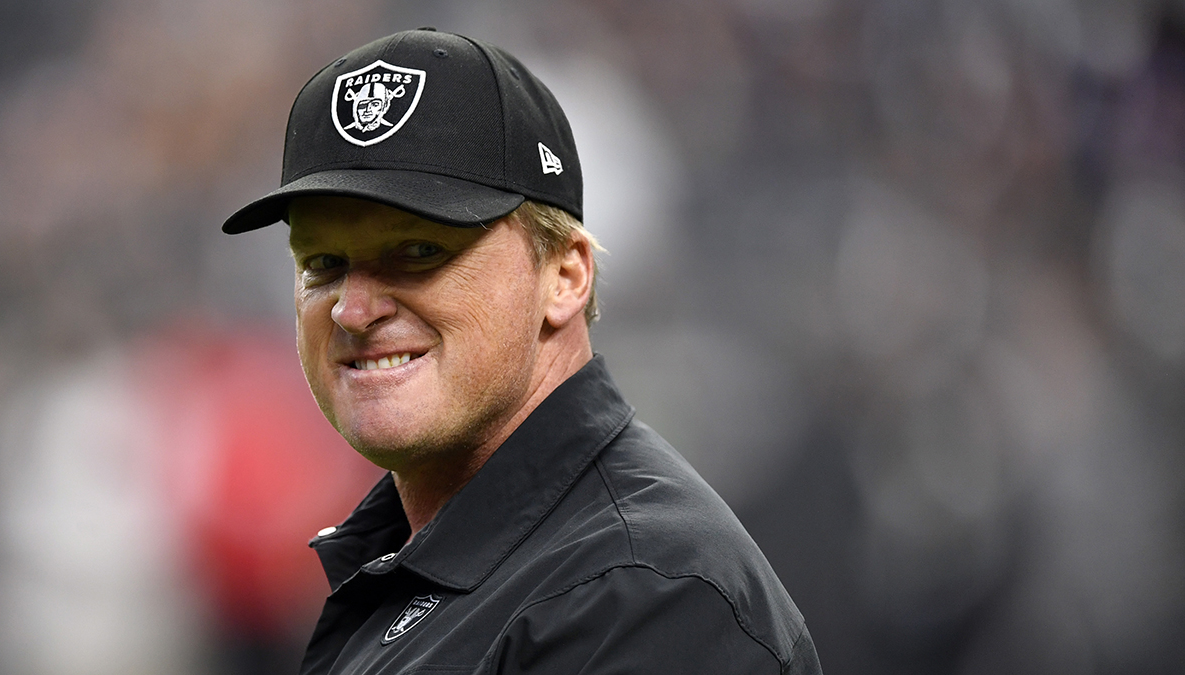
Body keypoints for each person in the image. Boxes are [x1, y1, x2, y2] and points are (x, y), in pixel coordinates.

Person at [222, 27, 822, 675]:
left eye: (419, 251)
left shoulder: (639, 594)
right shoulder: (449, 564)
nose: (352, 309)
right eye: (324, 263)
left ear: (564, 276)